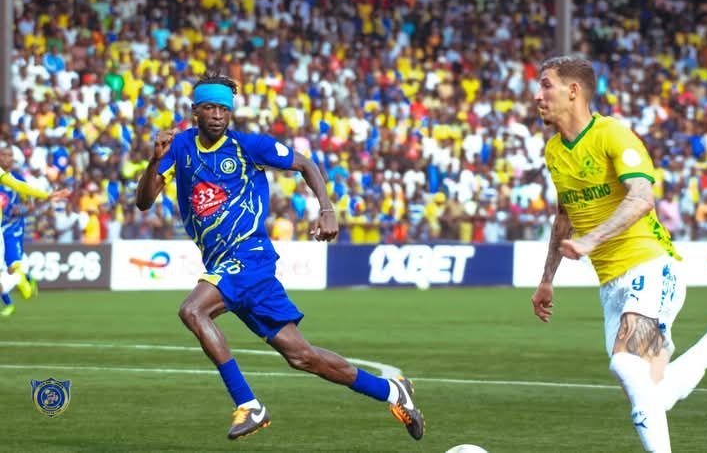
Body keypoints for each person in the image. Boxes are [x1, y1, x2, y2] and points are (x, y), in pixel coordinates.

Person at [135, 74, 424, 441]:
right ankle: (392, 391)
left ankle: (249, 405)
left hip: (249, 255)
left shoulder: (248, 146)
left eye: (224, 109)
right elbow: (144, 201)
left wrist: (327, 209)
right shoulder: (178, 147)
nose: (218, 115)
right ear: (195, 111)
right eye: (210, 108)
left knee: (193, 310)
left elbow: (305, 164)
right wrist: (153, 161)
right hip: (225, 264)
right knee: (301, 356)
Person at [531, 55, 707, 453]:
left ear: (573, 91)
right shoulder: (554, 151)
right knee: (650, 394)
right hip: (611, 285)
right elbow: (564, 216)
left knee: (626, 364)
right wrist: (547, 279)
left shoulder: (613, 134)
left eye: (546, 85)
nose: (537, 95)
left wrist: (591, 240)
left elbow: (641, 198)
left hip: (652, 267)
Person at [0, 145, 70, 316]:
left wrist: (43, 197)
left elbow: (24, 194)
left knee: (12, 264)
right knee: (10, 266)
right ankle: (22, 281)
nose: (5, 158)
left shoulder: (12, 178)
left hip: (13, 226)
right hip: (3, 225)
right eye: (3, 155)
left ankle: (21, 282)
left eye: (8, 155)